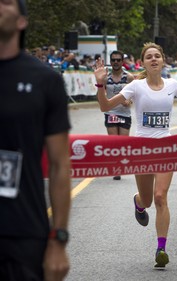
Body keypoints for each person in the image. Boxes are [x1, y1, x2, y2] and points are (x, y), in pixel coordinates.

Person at [93, 42, 177, 268]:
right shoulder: (135, 86)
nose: (153, 59)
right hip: (142, 150)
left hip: (166, 148)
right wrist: (100, 84)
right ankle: (138, 202)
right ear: (143, 62)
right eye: (149, 57)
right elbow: (105, 107)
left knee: (160, 196)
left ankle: (161, 248)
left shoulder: (173, 85)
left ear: (163, 60)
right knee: (147, 200)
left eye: (157, 56)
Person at [0, 0, 71, 280]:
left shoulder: (45, 80)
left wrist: (58, 240)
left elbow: (59, 165)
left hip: (24, 232)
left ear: (21, 21)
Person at [102, 50, 134, 180]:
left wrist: (129, 101)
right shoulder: (105, 78)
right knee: (114, 141)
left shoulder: (129, 77)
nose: (115, 62)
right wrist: (104, 99)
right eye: (113, 60)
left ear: (122, 62)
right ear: (110, 62)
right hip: (111, 113)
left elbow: (133, 95)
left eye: (118, 60)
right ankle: (117, 168)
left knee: (123, 143)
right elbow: (101, 94)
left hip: (124, 114)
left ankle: (120, 163)